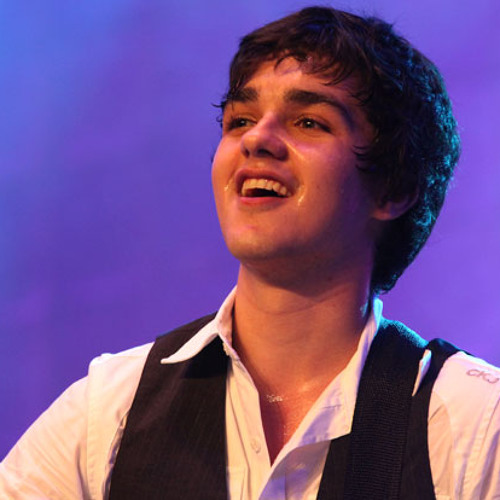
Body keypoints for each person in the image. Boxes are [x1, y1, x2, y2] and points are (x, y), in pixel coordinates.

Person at [1, 5, 499, 499]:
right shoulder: (107, 414)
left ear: (393, 188)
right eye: (240, 120)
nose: (257, 139)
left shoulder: (475, 424)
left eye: (309, 122)